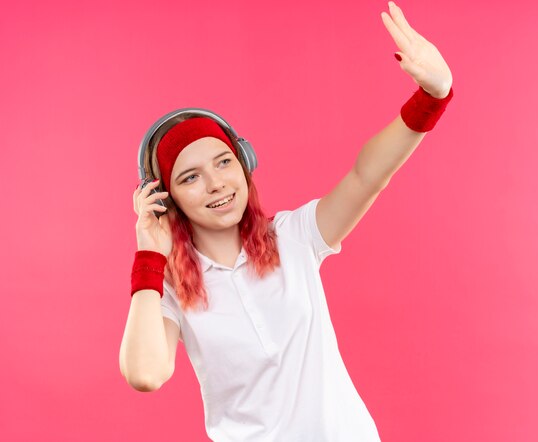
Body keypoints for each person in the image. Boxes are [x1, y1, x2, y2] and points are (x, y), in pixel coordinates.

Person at [119, 2, 454, 441]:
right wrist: (149, 253)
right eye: (190, 177)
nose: (216, 183)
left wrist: (432, 97)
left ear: (244, 164)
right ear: (168, 198)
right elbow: (146, 373)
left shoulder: (294, 236)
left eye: (224, 162)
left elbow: (366, 175)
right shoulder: (169, 288)